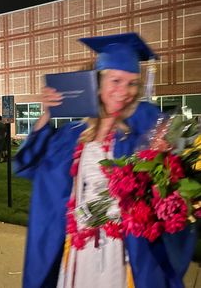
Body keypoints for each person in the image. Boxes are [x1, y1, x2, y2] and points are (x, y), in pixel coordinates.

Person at [14, 33, 196, 288]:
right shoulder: (72, 135)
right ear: (98, 82)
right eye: (116, 81)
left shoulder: (140, 132)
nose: (125, 92)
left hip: (123, 249)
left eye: (132, 83)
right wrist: (46, 114)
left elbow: (173, 174)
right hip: (80, 247)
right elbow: (29, 164)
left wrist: (165, 157)